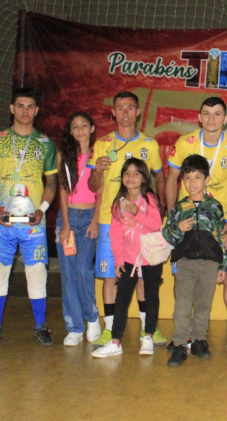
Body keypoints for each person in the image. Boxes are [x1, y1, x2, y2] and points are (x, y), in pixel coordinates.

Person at [0, 87, 58, 347]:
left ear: (37, 110)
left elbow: (52, 184)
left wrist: (41, 211)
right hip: (3, 221)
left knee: (37, 273)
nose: (25, 111)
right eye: (20, 106)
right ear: (12, 109)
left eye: (30, 106)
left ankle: (40, 326)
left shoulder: (45, 143)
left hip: (33, 222)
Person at [165, 97, 227, 354]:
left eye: (217, 114)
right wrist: (172, 218)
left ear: (226, 119)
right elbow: (171, 180)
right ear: (199, 117)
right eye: (206, 114)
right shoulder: (185, 143)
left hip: (217, 223)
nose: (211, 119)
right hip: (188, 222)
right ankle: (185, 334)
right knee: (182, 276)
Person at [86, 92, 166, 347]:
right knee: (111, 275)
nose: (125, 113)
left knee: (143, 276)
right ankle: (110, 330)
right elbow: (91, 184)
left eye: (130, 108)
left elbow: (159, 178)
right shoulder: (101, 144)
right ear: (113, 112)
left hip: (141, 223)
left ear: (138, 111)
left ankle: (148, 330)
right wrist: (97, 170)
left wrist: (160, 208)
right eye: (120, 108)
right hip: (112, 221)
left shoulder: (149, 145)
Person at [92, 159, 163, 358]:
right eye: (126, 173)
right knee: (122, 298)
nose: (130, 178)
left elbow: (156, 224)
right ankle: (115, 341)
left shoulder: (149, 199)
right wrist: (119, 259)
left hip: (150, 257)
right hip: (129, 259)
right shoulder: (118, 202)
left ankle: (148, 336)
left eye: (135, 173)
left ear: (143, 178)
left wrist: (138, 213)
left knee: (151, 296)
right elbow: (115, 234)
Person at [163, 155, 227, 366]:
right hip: (186, 262)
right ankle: (180, 344)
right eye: (188, 178)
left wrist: (223, 264)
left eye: (197, 178)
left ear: (206, 179)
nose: (192, 183)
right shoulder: (179, 207)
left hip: (209, 264)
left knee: (203, 305)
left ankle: (199, 340)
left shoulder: (215, 207)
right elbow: (167, 236)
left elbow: (221, 238)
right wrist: (177, 229)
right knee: (182, 305)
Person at [56, 111, 102, 346]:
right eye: (75, 127)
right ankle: (74, 327)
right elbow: (62, 190)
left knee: (84, 270)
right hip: (68, 219)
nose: (80, 130)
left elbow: (101, 190)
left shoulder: (99, 155)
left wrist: (95, 220)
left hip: (89, 219)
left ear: (92, 128)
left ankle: (92, 318)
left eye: (85, 125)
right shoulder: (64, 156)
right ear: (70, 132)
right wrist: (64, 224)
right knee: (69, 274)